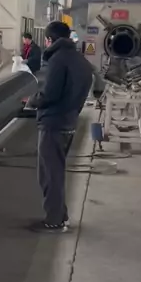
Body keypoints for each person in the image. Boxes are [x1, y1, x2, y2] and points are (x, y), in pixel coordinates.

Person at [30, 20, 93, 234]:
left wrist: (32, 101)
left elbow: (50, 94)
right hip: (69, 121)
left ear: (49, 40)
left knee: (49, 175)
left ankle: (53, 221)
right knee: (55, 171)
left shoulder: (58, 60)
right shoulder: (79, 59)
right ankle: (60, 215)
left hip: (53, 124)